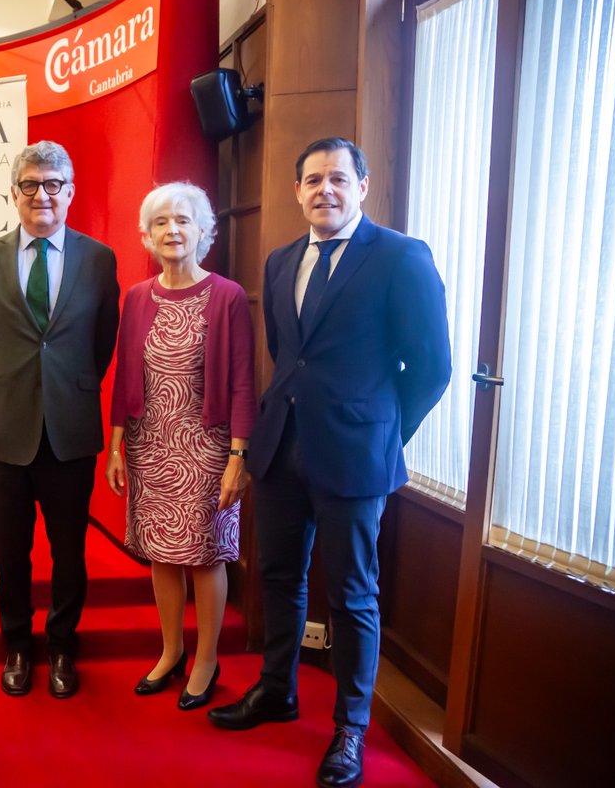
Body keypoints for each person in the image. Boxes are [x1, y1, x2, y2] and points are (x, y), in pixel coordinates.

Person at [207, 138, 451, 788]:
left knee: (352, 594)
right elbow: (290, 355)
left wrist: (383, 435)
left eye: (338, 178)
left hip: (356, 457)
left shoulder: (401, 257)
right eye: (312, 180)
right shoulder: (283, 259)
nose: (325, 190)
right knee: (280, 579)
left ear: (362, 186)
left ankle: (349, 729)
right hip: (281, 449)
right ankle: (276, 691)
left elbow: (431, 368)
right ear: (298, 191)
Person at [0, 140, 120, 699]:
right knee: (10, 549)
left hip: (70, 430)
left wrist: (66, 388)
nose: (42, 195)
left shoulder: (100, 260)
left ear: (71, 192)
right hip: (6, 429)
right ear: (14, 193)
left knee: (68, 550)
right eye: (30, 184)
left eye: (54, 184)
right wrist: (10, 387)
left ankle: (61, 648)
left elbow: (102, 345)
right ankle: (17, 646)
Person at [105, 182, 255, 711]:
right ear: (147, 234)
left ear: (202, 231)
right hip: (151, 442)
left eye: (184, 220)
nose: (173, 230)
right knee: (160, 554)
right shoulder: (138, 297)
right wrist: (118, 443)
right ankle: (171, 651)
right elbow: (126, 372)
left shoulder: (227, 296)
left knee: (204, 554)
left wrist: (239, 457)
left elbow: (241, 381)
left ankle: (207, 658)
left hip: (208, 447)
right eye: (162, 222)